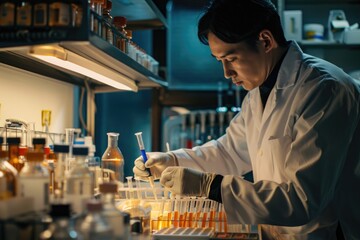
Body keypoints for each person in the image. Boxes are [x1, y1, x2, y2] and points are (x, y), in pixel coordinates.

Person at [133, 0, 360, 239]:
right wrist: (171, 161)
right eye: (219, 61)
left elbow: (301, 200)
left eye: (231, 59)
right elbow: (229, 152)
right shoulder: (258, 93)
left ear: (265, 41)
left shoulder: (325, 89)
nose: (226, 73)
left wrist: (209, 186)